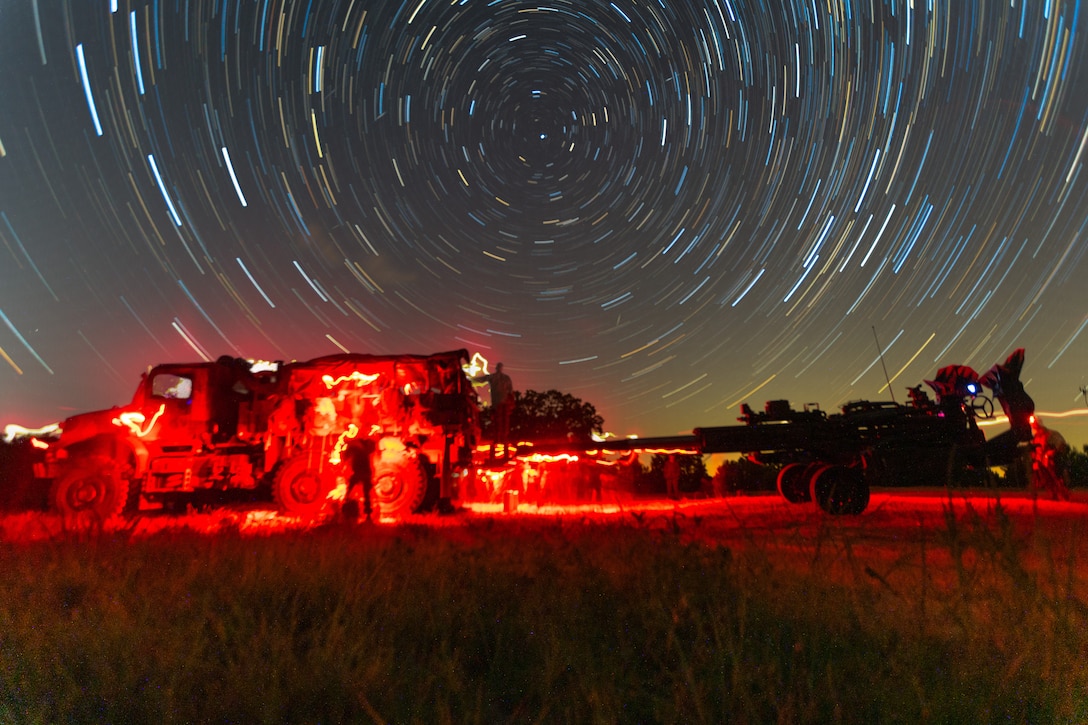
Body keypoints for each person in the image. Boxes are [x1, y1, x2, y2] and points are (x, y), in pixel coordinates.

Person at [476, 362, 515, 459]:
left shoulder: (503, 378)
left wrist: (511, 402)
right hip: (499, 404)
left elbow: (510, 391)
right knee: (499, 422)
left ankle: (501, 439)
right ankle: (499, 439)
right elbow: (511, 391)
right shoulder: (499, 378)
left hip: (501, 404)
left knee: (501, 422)